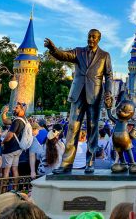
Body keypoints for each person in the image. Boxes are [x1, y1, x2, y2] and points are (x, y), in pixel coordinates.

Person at [44, 29, 114, 174]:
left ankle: (90, 162)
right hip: (77, 95)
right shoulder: (78, 52)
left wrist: (108, 93)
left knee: (92, 129)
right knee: (72, 128)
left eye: (94, 37)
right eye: (89, 36)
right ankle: (66, 163)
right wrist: (53, 49)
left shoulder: (104, 55)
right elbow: (63, 55)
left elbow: (109, 76)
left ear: (99, 39)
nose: (91, 39)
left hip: (94, 96)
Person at [1, 102, 28, 179]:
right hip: (18, 149)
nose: (14, 109)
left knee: (5, 171)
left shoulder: (17, 121)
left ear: (22, 110)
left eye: (17, 108)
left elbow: (9, 136)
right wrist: (4, 112)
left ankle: (4, 190)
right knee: (15, 169)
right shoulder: (24, 119)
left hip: (10, 149)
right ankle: (15, 189)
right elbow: (5, 121)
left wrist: (3, 142)